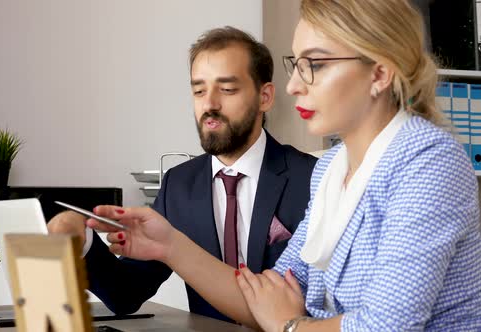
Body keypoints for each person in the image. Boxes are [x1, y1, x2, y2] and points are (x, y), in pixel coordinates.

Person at [87, 0, 481, 331]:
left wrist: (293, 325)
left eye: (317, 64)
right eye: (298, 64)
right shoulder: (331, 170)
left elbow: (387, 325)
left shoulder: (429, 163)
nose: (295, 85)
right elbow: (266, 295)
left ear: (379, 73)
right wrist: (170, 245)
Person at [47, 26, 317, 322]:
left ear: (265, 97)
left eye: (226, 89)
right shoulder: (179, 184)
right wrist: (82, 241)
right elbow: (125, 293)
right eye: (199, 90)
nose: (209, 104)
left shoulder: (312, 178)